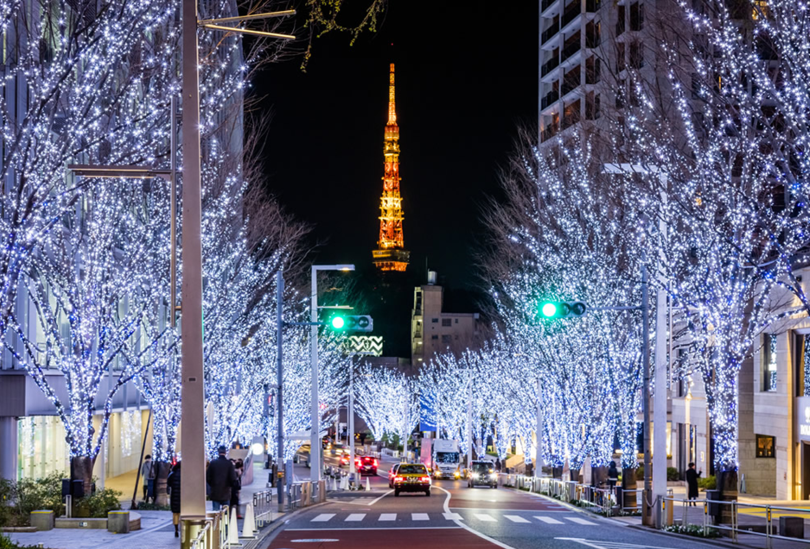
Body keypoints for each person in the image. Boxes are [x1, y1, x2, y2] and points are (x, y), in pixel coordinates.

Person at [207, 446, 238, 511]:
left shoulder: (213, 463)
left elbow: (208, 477)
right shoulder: (229, 464)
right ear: (225, 452)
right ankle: (225, 521)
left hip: (215, 491)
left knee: (216, 512)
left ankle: (217, 521)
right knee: (226, 512)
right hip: (226, 491)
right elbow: (233, 478)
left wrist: (213, 485)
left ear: (218, 452)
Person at [167, 461, 182, 537]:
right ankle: (183, 529)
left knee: (175, 514)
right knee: (182, 513)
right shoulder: (185, 474)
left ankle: (176, 530)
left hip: (174, 497)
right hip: (182, 497)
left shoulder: (172, 474)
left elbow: (169, 483)